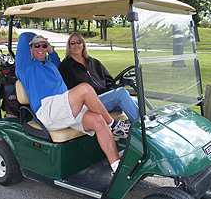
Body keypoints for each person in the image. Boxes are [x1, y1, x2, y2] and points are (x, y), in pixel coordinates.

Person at [15, 32, 129, 173]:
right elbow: (23, 37)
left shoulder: (51, 65)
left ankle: (117, 167)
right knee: (85, 89)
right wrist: (38, 36)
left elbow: (56, 59)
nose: (40, 48)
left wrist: (50, 49)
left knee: (98, 120)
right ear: (30, 49)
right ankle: (112, 125)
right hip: (48, 110)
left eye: (43, 45)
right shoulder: (26, 67)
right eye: (36, 45)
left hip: (64, 108)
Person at [58, 32, 139, 124]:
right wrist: (114, 97)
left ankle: (143, 127)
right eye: (72, 43)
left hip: (104, 100)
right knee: (122, 93)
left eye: (79, 42)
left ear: (83, 45)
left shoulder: (94, 63)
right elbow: (71, 91)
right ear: (69, 46)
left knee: (136, 101)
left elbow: (109, 82)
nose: (76, 45)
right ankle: (140, 130)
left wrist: (112, 97)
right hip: (87, 104)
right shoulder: (65, 66)